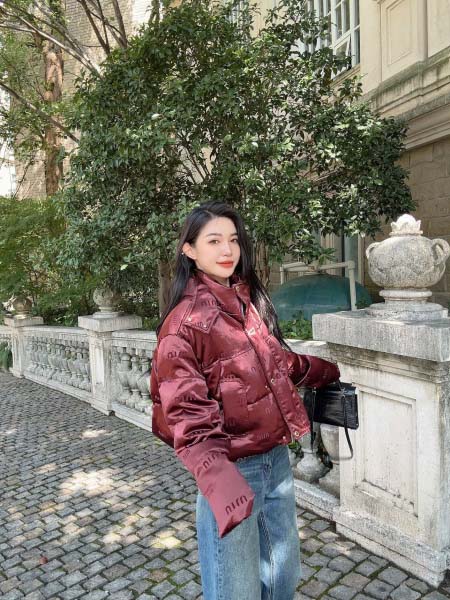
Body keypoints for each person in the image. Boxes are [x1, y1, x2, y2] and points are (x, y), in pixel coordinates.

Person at [150, 201, 340, 600]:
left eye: (233, 240)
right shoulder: (183, 324)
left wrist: (325, 371)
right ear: (189, 250)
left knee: (282, 577)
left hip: (275, 460)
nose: (227, 250)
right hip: (233, 470)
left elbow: (274, 363)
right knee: (236, 590)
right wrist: (219, 481)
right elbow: (185, 412)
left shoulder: (242, 301)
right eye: (214, 241)